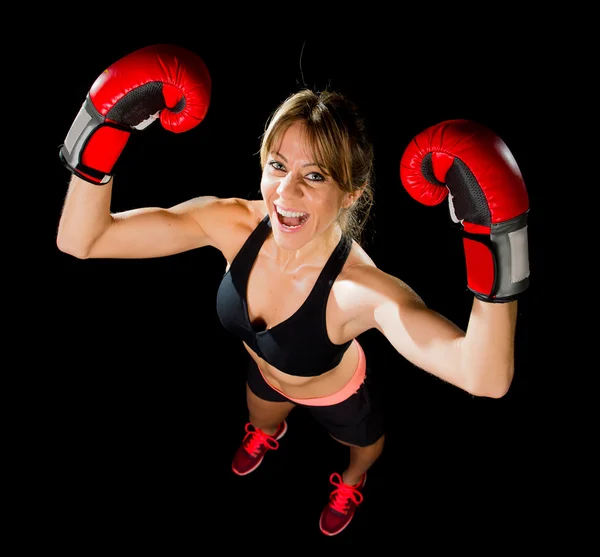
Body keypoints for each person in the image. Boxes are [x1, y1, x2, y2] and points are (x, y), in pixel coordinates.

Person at [56, 44, 530, 537]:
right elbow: (81, 240)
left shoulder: (356, 289)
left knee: (364, 447)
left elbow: (485, 378)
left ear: (352, 194)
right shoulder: (232, 223)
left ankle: (353, 479)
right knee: (261, 418)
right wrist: (99, 132)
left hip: (337, 396)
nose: (286, 193)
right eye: (278, 166)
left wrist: (499, 242)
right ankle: (266, 433)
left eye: (315, 175)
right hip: (264, 376)